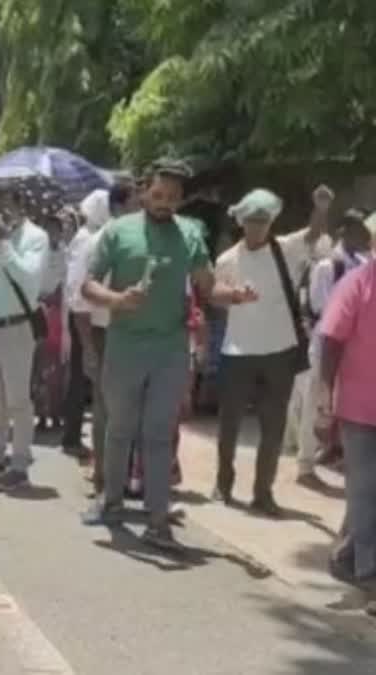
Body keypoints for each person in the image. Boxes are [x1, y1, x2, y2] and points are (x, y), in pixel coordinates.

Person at [81, 159, 241, 549]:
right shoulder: (117, 233)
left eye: (172, 197)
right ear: (142, 192)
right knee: (119, 429)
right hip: (124, 347)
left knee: (157, 434)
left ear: (181, 199)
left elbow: (208, 287)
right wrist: (117, 299)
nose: (164, 203)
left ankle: (157, 521)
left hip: (169, 350)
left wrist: (234, 296)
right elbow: (86, 285)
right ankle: (112, 503)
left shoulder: (190, 235)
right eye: (157, 194)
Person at [213, 187, 330, 515]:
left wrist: (320, 207)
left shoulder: (286, 249)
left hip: (279, 351)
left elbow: (314, 233)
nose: (258, 226)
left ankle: (263, 492)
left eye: (264, 220)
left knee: (273, 427)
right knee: (229, 424)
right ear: (242, 222)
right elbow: (213, 293)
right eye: (252, 220)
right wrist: (235, 294)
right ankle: (223, 484)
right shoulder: (228, 259)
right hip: (237, 351)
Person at [0, 181, 49, 488]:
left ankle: (19, 464)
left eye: (6, 203)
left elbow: (29, 279)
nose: (1, 211)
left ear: (22, 205)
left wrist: (5, 246)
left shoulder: (36, 238)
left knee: (18, 400)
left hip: (16, 327)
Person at [296, 208, 371, 485]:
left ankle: (331, 452)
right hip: (327, 346)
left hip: (355, 352)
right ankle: (305, 466)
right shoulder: (329, 265)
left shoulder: (365, 262)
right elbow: (321, 308)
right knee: (317, 403)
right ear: (347, 231)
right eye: (361, 230)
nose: (366, 236)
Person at [317, 248, 376, 597]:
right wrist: (325, 401)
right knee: (366, 489)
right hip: (360, 408)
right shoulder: (357, 283)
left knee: (367, 494)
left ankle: (348, 553)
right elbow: (331, 341)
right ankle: (368, 572)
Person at [62, 189, 113, 471]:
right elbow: (79, 286)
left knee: (83, 380)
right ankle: (74, 438)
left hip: (84, 314)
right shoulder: (90, 239)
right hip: (85, 316)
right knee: (84, 379)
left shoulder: (88, 236)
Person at [33, 210, 71, 432]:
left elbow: (69, 282)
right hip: (40, 313)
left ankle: (57, 413)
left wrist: (59, 294)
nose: (53, 234)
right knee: (40, 367)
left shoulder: (66, 254)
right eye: (49, 230)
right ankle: (41, 415)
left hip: (60, 315)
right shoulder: (36, 254)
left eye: (57, 230)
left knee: (59, 368)